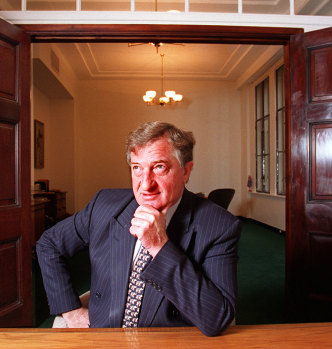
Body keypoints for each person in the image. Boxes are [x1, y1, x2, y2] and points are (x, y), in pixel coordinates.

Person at [36, 121, 241, 336]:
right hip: (101, 336)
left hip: (165, 341)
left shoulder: (220, 227)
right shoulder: (104, 205)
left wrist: (160, 247)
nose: (145, 185)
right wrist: (71, 311)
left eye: (159, 167)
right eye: (137, 168)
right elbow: (49, 244)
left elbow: (217, 318)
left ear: (186, 171)